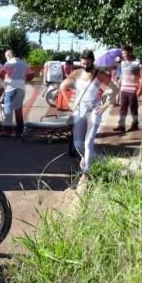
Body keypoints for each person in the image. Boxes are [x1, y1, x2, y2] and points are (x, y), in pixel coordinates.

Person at [58, 49, 119, 185]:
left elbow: (115, 90)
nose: (85, 66)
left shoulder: (100, 75)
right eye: (83, 63)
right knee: (78, 143)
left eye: (88, 63)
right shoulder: (76, 73)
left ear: (93, 61)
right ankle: (88, 159)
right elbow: (62, 87)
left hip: (94, 110)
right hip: (79, 110)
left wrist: (105, 105)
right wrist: (69, 103)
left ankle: (86, 174)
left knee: (88, 142)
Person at [114, 46, 142, 132]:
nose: (123, 55)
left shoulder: (137, 63)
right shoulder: (122, 63)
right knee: (122, 108)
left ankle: (135, 125)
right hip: (123, 89)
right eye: (122, 53)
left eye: (125, 53)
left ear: (130, 52)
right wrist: (118, 86)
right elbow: (122, 75)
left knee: (133, 108)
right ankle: (121, 125)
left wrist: (140, 89)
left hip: (133, 90)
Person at [0, 49, 29, 136]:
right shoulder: (24, 64)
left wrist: (6, 80)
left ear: (8, 55)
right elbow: (31, 75)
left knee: (8, 109)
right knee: (18, 110)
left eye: (6, 57)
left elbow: (1, 74)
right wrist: (24, 81)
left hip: (10, 88)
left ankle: (8, 131)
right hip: (21, 88)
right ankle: (19, 131)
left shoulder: (8, 63)